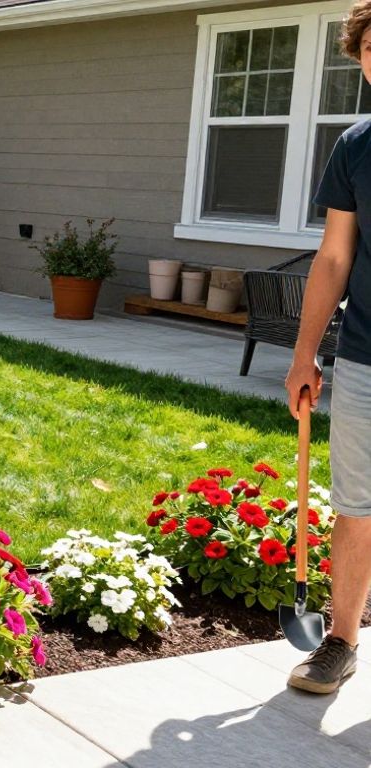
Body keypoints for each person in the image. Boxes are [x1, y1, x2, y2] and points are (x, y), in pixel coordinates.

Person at [286, 1, 371, 695]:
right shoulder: (356, 146)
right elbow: (335, 258)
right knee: (358, 505)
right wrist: (303, 352)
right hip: (368, 358)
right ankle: (340, 641)